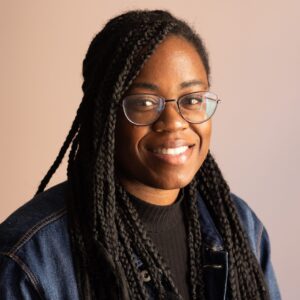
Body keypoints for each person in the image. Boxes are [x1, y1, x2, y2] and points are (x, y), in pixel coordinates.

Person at [0, 9, 281, 300]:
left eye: (193, 99)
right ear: (104, 113)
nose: (174, 122)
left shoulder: (242, 228)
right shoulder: (30, 258)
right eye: (145, 102)